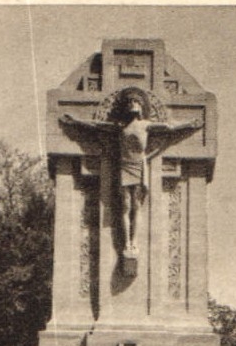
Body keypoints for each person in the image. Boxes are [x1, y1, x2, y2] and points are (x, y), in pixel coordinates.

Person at [60, 91, 201, 259]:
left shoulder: (146, 125)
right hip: (124, 166)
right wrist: (76, 121)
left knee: (137, 206)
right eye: (130, 102)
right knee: (126, 206)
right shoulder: (120, 127)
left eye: (137, 102)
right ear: (126, 108)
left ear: (141, 107)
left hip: (139, 166)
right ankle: (127, 243)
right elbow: (97, 125)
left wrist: (190, 124)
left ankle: (134, 242)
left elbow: (169, 127)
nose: (133, 104)